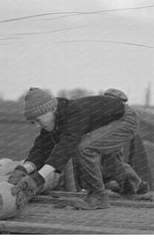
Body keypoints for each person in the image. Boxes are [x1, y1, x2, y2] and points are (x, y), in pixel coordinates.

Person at [8, 87, 143, 210]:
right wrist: (23, 169)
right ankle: (131, 188)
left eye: (38, 120)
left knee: (85, 148)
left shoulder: (74, 113)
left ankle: (98, 196)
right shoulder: (54, 118)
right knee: (108, 161)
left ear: (52, 109)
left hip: (126, 120)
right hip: (110, 121)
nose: (37, 126)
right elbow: (41, 148)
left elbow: (64, 148)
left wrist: (38, 179)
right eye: (33, 123)